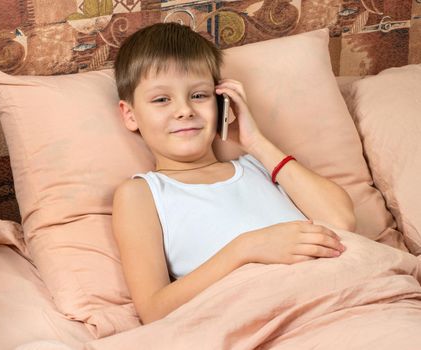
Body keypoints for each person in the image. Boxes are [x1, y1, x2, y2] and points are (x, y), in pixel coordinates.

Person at [112, 22, 355, 325]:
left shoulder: (257, 166)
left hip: (342, 296)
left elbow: (341, 220)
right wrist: (247, 248)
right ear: (130, 114)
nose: (185, 110)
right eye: (162, 99)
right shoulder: (143, 193)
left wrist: (257, 143)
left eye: (199, 96)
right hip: (271, 318)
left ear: (221, 102)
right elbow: (154, 310)